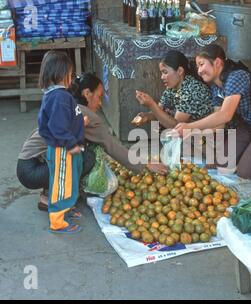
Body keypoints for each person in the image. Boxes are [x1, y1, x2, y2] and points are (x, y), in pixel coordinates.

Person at [17, 72, 168, 214]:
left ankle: (50, 190)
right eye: (99, 96)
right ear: (87, 94)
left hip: (27, 166)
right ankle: (51, 195)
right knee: (87, 157)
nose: (100, 103)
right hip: (32, 170)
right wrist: (145, 166)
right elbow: (111, 145)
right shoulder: (84, 113)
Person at [175, 44, 251, 180]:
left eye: (201, 64)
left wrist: (190, 126)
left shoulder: (236, 76)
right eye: (197, 67)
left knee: (246, 173)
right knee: (223, 164)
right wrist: (193, 135)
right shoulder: (216, 87)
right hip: (248, 125)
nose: (199, 71)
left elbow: (225, 115)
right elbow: (219, 125)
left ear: (217, 62)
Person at [37, 50, 84, 234]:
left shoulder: (57, 95)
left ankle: (67, 206)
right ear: (61, 73)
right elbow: (57, 126)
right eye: (70, 74)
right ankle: (57, 219)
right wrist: (71, 144)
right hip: (63, 149)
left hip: (68, 147)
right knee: (62, 182)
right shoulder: (59, 97)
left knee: (70, 180)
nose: (71, 78)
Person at [132, 50, 214, 129]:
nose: (162, 77)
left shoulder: (191, 89)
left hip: (206, 136)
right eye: (161, 73)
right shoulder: (172, 87)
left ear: (179, 71)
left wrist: (151, 104)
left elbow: (175, 126)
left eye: (165, 72)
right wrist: (146, 116)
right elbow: (159, 111)